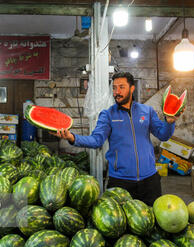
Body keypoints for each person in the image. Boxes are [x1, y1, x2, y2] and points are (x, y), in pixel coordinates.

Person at [52, 72, 183, 206]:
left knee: (151, 222)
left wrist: (170, 122)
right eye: (114, 88)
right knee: (119, 225)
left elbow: (163, 135)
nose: (117, 92)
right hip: (120, 182)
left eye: (121, 87)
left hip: (150, 180)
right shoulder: (108, 115)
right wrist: (72, 137)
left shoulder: (147, 111)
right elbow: (96, 140)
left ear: (132, 88)